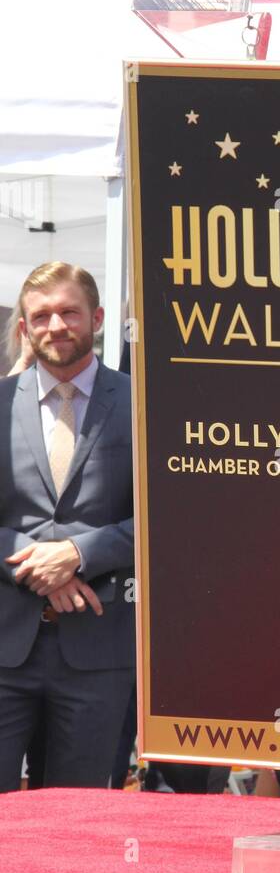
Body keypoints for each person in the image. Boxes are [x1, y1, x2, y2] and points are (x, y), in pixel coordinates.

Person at [0, 262, 135, 791]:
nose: (55, 326)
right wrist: (39, 565)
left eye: (68, 312)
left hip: (99, 652)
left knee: (75, 823)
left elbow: (173, 517)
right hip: (6, 650)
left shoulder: (144, 404)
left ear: (96, 318)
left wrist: (78, 554)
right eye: (41, 316)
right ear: (25, 328)